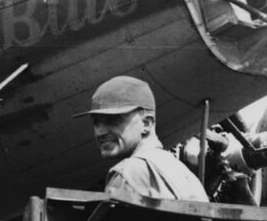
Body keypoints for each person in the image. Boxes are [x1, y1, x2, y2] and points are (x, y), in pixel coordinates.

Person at [74, 76, 210, 201]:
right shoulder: (186, 175)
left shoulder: (127, 173)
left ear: (146, 123)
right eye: (96, 122)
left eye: (112, 120)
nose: (100, 132)